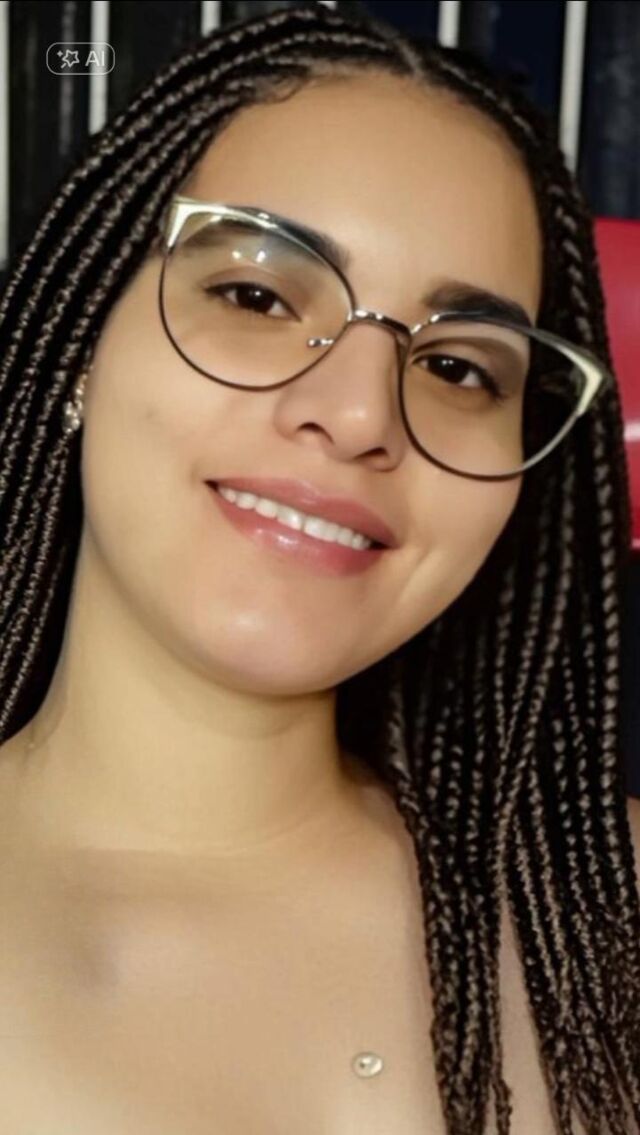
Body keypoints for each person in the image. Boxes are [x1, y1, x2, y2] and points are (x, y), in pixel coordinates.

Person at [0, 4, 638, 1133]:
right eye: (255, 296)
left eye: (458, 368)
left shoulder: (605, 901)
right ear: (82, 344)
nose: (357, 415)